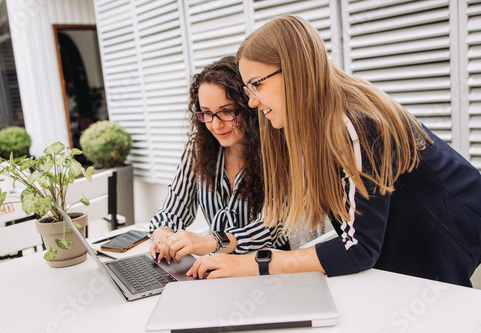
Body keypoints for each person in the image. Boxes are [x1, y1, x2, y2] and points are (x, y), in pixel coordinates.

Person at [187, 15, 481, 287]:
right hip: (404, 231)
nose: (252, 102)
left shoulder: (356, 124)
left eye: (256, 85)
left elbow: (359, 248)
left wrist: (254, 264)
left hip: (445, 225)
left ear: (294, 71)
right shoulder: (309, 122)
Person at [146, 56, 289, 264]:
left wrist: (212, 241)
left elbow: (271, 228)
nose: (215, 125)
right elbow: (172, 211)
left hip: (269, 266)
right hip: (218, 266)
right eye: (207, 113)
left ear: (249, 105)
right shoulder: (198, 150)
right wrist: (163, 237)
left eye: (227, 111)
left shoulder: (275, 149)